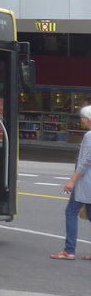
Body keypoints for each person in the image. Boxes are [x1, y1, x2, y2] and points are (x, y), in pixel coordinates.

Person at [50, 105, 91, 259]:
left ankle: (69, 250)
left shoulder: (89, 135)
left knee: (71, 212)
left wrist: (72, 181)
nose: (81, 120)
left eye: (82, 117)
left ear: (88, 119)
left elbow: (85, 161)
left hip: (86, 182)